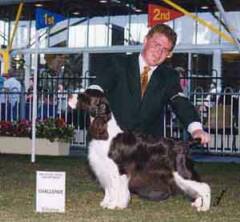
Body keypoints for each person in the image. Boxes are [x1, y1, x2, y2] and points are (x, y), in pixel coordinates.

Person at [90, 24, 210, 144]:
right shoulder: (118, 63)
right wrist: (90, 99)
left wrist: (196, 129)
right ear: (145, 40)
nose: (159, 52)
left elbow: (180, 101)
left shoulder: (169, 76)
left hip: (148, 148)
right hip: (111, 143)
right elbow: (98, 85)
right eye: (156, 45)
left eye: (165, 50)